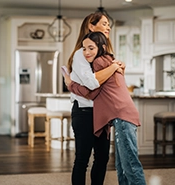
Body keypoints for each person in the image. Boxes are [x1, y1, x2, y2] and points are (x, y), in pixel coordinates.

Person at [67, 31, 147, 185]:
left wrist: (71, 84)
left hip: (121, 116)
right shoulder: (110, 61)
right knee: (122, 165)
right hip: (122, 116)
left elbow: (91, 91)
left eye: (91, 48)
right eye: (84, 48)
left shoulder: (99, 63)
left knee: (129, 163)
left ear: (101, 46)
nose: (86, 52)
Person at [66, 12, 125, 185]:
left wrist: (119, 67)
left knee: (103, 158)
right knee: (82, 160)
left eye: (108, 24)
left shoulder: (104, 56)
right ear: (92, 26)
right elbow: (92, 84)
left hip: (102, 114)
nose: (109, 27)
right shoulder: (80, 54)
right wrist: (113, 67)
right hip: (84, 113)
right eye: (105, 23)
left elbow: (112, 84)